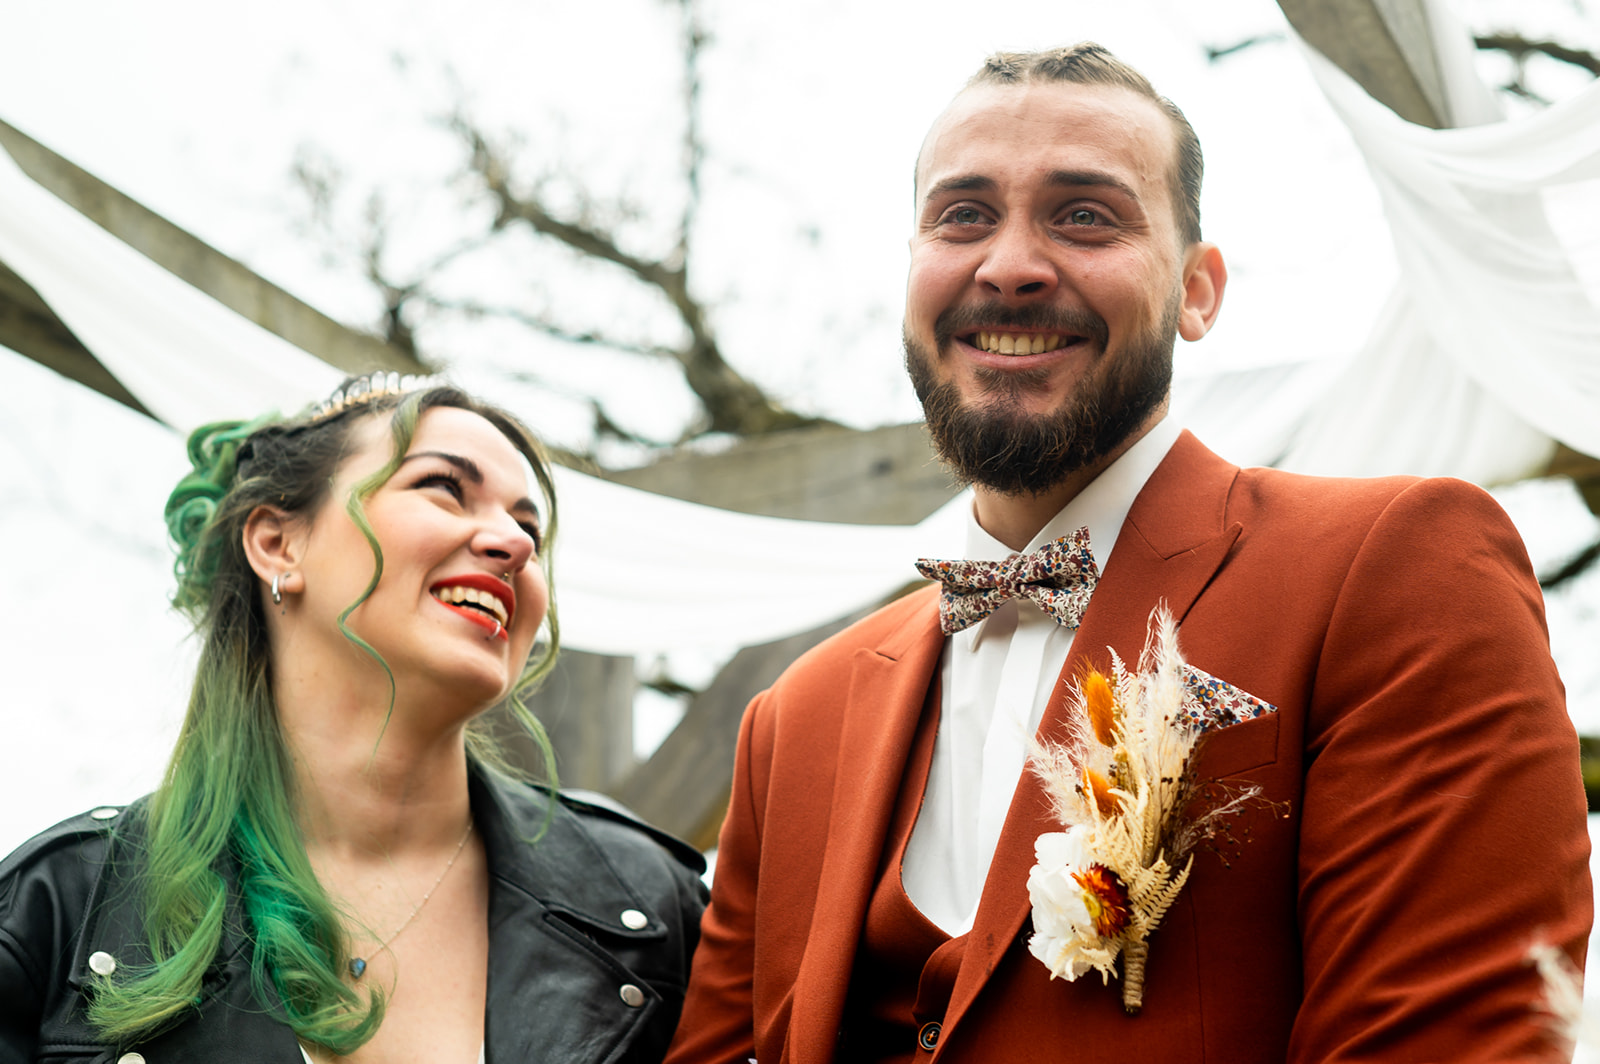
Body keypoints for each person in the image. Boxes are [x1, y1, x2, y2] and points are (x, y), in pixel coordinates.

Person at [664, 44, 1592, 1064]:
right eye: (962, 214)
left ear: (1197, 291)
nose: (1008, 264)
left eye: (1084, 215)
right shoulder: (791, 718)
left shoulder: (1395, 566)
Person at [0, 375, 707, 1062]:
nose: (517, 544)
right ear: (278, 545)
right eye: (443, 487)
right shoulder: (54, 910)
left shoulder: (654, 910)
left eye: (529, 526)